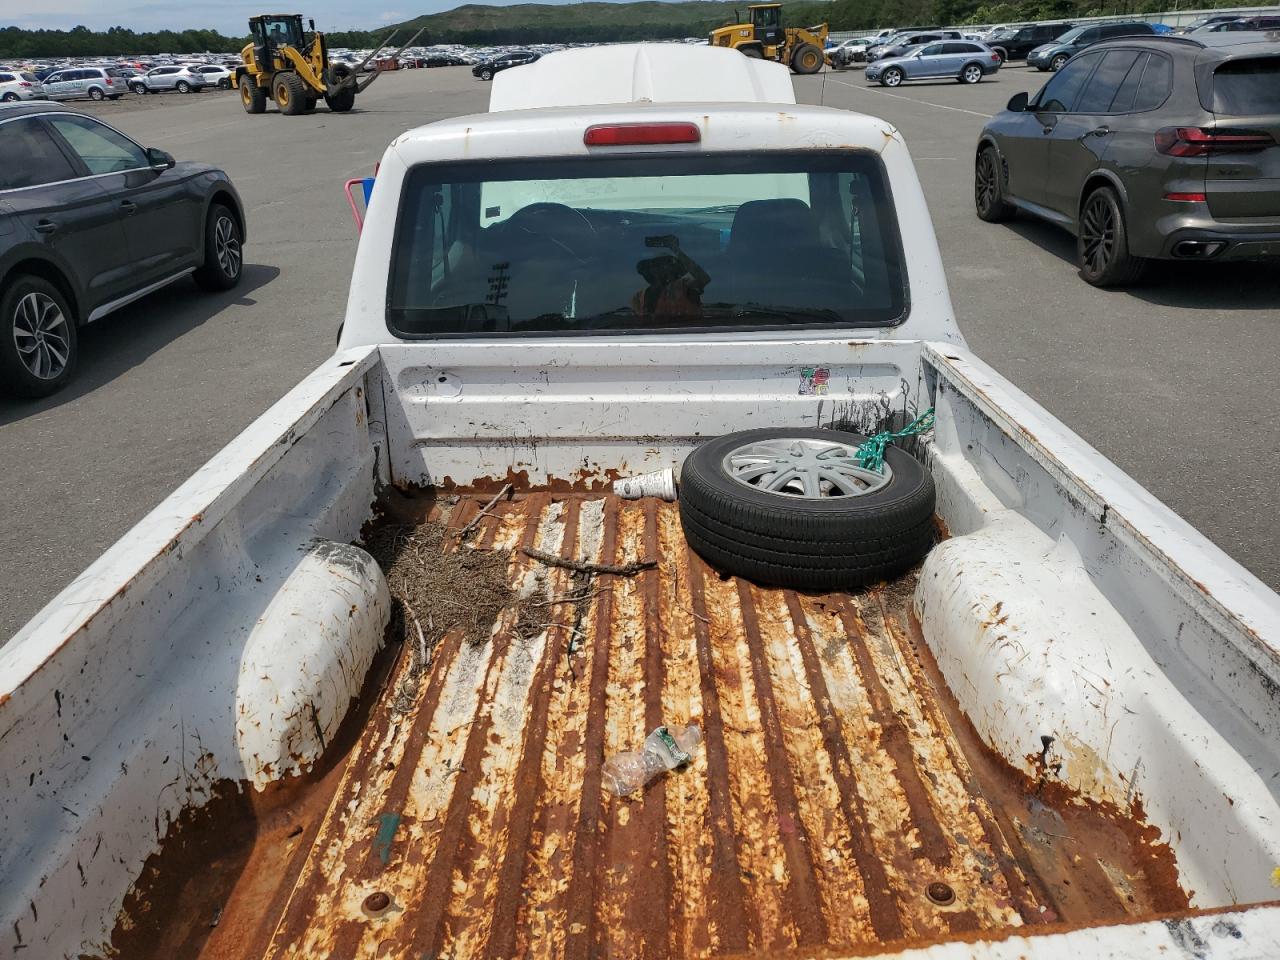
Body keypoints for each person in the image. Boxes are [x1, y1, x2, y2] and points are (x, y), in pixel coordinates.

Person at [629, 235, 710, 321]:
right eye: (657, 265)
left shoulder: (685, 287)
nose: (663, 268)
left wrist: (675, 249)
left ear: (675, 269)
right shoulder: (639, 297)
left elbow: (704, 278)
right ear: (650, 270)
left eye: (667, 264)